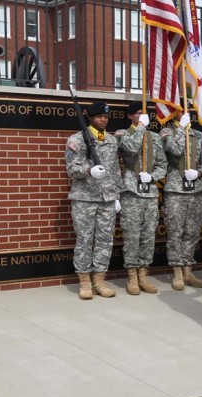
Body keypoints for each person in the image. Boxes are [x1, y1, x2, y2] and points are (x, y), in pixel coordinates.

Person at [65, 101, 122, 300]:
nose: (103, 119)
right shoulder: (77, 140)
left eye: (106, 117)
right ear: (91, 117)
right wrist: (88, 170)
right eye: (99, 116)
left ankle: (99, 280)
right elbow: (71, 169)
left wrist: (117, 195)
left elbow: (115, 171)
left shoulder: (112, 140)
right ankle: (84, 281)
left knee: (105, 240)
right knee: (84, 240)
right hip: (85, 199)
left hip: (107, 198)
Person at [115, 101, 167, 295]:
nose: (143, 117)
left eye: (145, 114)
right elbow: (130, 148)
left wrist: (153, 176)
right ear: (130, 116)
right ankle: (132, 276)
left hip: (150, 192)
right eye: (138, 113)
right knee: (132, 235)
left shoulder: (154, 138)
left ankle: (143, 274)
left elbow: (162, 165)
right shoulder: (122, 134)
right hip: (131, 192)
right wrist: (141, 128)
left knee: (148, 235)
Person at [160, 109, 202, 290]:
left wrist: (199, 173)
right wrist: (181, 128)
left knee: (192, 232)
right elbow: (175, 149)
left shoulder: (199, 136)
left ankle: (188, 270)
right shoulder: (167, 133)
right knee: (176, 232)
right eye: (181, 111)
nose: (187, 113)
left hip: (195, 190)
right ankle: (177, 271)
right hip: (176, 189)